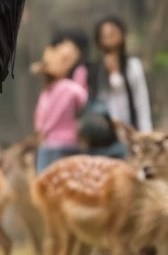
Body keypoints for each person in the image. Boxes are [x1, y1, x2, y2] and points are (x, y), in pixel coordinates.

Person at [90, 16, 153, 146]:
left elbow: (141, 100)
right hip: (104, 132)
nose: (108, 35)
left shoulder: (133, 65)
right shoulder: (95, 69)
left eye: (112, 31)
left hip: (130, 127)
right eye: (104, 33)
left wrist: (146, 133)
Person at [32, 39, 87, 173]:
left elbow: (38, 123)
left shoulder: (45, 93)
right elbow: (82, 98)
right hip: (68, 143)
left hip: (48, 144)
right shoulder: (69, 87)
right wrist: (80, 78)